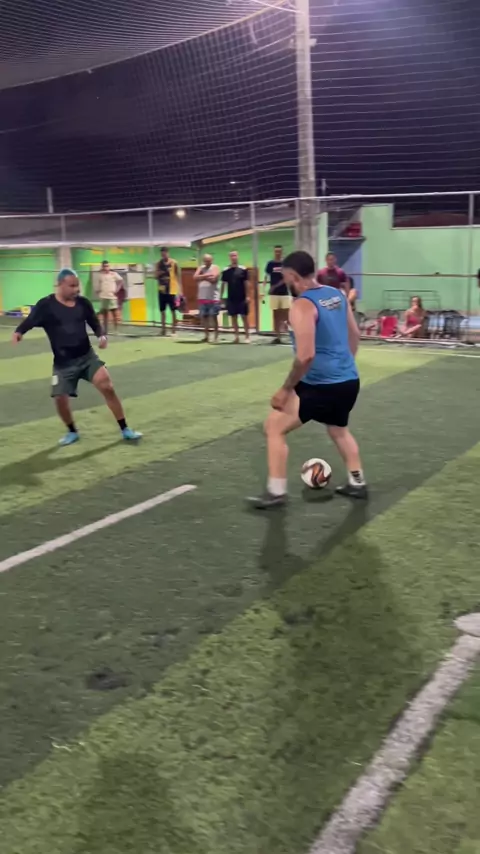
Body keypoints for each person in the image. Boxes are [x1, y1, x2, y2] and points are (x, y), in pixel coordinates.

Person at [247, 250, 366, 509]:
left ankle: (276, 492)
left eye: (285, 277)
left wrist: (285, 389)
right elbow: (355, 334)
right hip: (349, 380)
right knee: (338, 429)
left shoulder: (302, 305)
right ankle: (357, 483)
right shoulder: (337, 294)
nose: (285, 282)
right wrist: (345, 366)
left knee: (274, 427)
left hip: (321, 385)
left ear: (293, 276)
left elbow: (305, 356)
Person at [12, 268, 142, 446]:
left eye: (77, 285)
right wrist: (19, 332)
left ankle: (125, 429)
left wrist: (101, 336)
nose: (76, 289)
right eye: (72, 286)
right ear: (60, 285)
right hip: (63, 364)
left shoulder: (83, 303)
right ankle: (72, 431)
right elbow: (31, 320)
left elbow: (94, 322)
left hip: (87, 358)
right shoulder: (46, 305)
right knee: (60, 399)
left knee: (107, 387)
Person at [221, 251, 250, 343]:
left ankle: (247, 337)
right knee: (233, 317)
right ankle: (236, 337)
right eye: (232, 256)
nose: (233, 257)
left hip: (242, 298)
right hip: (231, 298)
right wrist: (221, 296)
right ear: (229, 257)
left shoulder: (243, 269)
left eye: (235, 255)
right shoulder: (226, 270)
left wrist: (248, 296)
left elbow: (246, 283)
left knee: (244, 317)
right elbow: (223, 284)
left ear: (237, 256)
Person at [264, 245, 290, 344]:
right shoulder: (270, 264)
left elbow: (286, 278)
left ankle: (291, 335)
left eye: (279, 251)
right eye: (276, 251)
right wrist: (264, 289)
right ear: (274, 252)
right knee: (275, 315)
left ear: (281, 252)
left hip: (284, 293)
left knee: (286, 315)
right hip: (274, 294)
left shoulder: (285, 264)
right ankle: (277, 336)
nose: (278, 253)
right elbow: (266, 276)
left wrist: (274, 286)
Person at [194, 254, 221, 343]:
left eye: (209, 261)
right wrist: (207, 276)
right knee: (204, 317)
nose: (207, 262)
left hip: (213, 297)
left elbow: (214, 279)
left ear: (212, 260)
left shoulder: (215, 267)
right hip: (202, 297)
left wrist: (201, 277)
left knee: (213, 316)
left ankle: (216, 336)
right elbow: (195, 277)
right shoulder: (201, 268)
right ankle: (206, 336)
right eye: (205, 261)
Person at [156, 247, 182, 337]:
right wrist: (158, 273)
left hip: (172, 290)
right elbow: (155, 275)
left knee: (173, 310)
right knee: (162, 310)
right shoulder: (158, 263)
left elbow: (178, 276)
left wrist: (180, 290)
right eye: (162, 254)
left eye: (165, 253)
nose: (163, 255)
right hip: (161, 289)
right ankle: (163, 330)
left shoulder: (174, 263)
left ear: (168, 253)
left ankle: (174, 331)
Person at [97, 260, 123, 334]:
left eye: (107, 266)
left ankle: (116, 330)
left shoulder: (113, 274)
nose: (106, 268)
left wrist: (117, 290)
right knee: (105, 314)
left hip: (112, 296)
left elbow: (121, 281)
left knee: (115, 313)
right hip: (104, 296)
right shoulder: (100, 275)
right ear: (102, 267)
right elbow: (99, 284)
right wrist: (99, 291)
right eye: (104, 266)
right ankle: (105, 330)